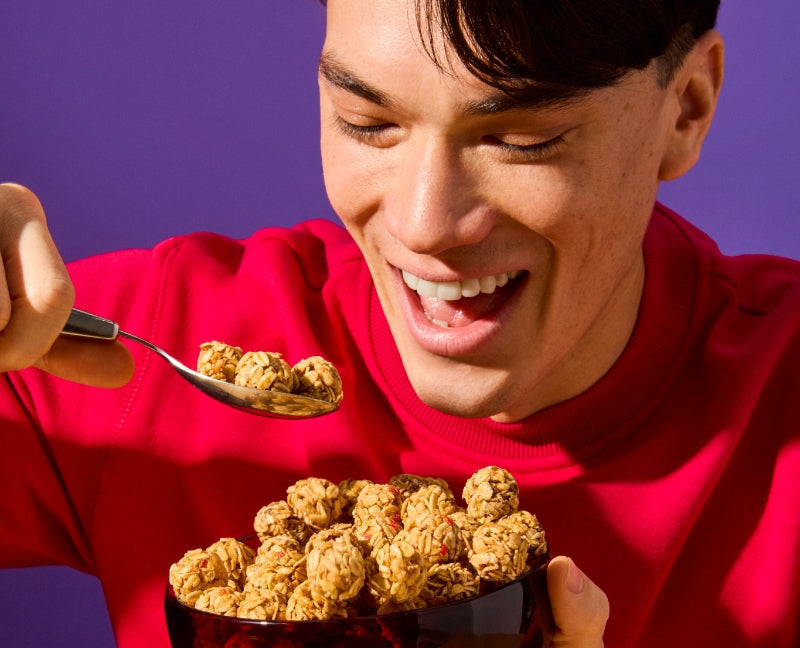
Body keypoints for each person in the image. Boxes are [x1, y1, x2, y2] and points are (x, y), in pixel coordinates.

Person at [1, 0, 798, 646]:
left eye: (523, 140)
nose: (424, 225)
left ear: (686, 109)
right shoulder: (121, 349)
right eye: (367, 122)